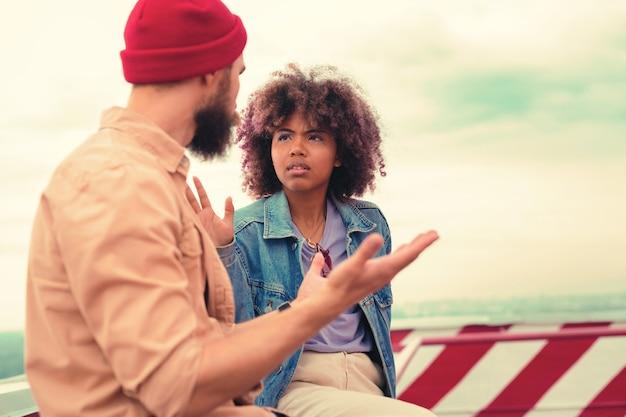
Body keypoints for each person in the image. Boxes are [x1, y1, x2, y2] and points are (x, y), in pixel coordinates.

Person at [24, 1, 439, 417]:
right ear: (211, 71)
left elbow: (180, 370)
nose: (238, 104)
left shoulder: (145, 178)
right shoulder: (118, 181)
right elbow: (174, 385)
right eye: (238, 74)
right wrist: (314, 310)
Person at [186, 64, 435, 417]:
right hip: (293, 384)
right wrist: (222, 251)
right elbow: (239, 338)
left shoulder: (369, 224)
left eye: (314, 137)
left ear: (341, 153)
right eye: (284, 136)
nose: (297, 149)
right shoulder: (243, 232)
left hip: (368, 384)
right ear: (266, 149)